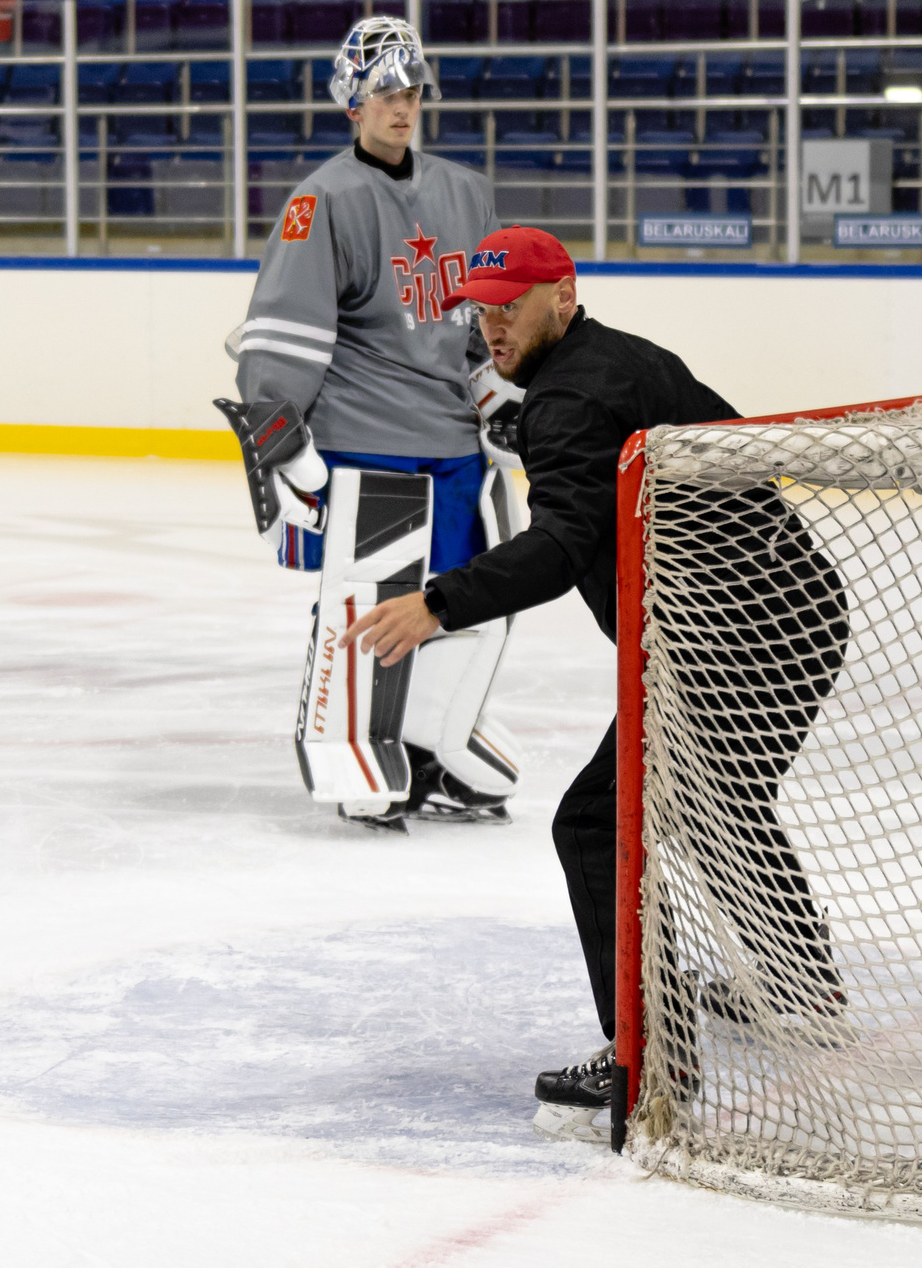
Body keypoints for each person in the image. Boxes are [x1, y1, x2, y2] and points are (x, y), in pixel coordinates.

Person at [340, 228, 850, 1141]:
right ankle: (796, 980)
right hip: (805, 607)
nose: (492, 323)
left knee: (594, 822)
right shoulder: (624, 359)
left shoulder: (568, 400)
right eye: (482, 307)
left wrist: (439, 602)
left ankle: (649, 1053)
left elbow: (563, 542)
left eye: (512, 304)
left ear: (563, 296)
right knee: (718, 797)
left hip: (726, 637)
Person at [216, 16, 522, 831]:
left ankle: (434, 741)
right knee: (368, 601)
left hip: (454, 444)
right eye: (386, 89)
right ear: (352, 101)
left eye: (412, 88)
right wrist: (280, 433)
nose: (403, 103)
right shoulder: (320, 201)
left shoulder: (465, 190)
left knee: (465, 599)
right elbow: (283, 332)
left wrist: (504, 393)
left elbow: (480, 325)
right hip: (364, 444)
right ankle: (349, 736)